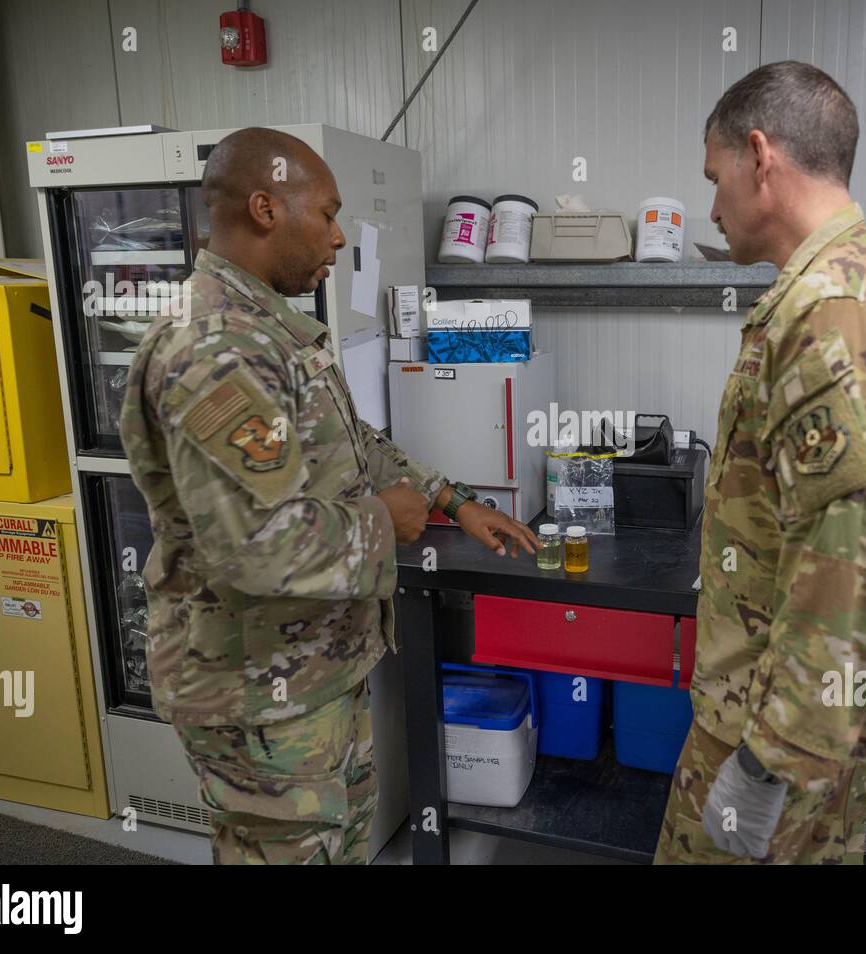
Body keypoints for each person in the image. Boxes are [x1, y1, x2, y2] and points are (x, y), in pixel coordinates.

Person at [119, 126, 537, 864]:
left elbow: (355, 448)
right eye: (328, 213)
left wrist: (453, 500)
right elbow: (257, 544)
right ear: (264, 208)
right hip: (255, 699)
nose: (341, 238)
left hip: (312, 676)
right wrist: (386, 523)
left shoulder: (273, 334)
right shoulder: (218, 347)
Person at [655, 62, 866, 864]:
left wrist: (765, 766)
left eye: (715, 178)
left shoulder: (834, 311)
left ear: (761, 156)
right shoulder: (861, 286)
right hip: (802, 722)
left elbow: (845, 572)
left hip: (774, 734)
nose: (712, 207)